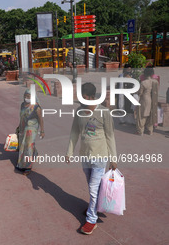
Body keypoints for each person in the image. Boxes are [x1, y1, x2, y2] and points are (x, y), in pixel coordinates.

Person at [65, 83, 117, 235]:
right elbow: (74, 132)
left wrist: (113, 158)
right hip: (85, 155)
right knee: (92, 186)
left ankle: (91, 220)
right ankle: (98, 206)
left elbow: (110, 136)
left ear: (89, 97)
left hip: (100, 156)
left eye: (82, 97)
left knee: (94, 189)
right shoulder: (79, 111)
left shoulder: (104, 112)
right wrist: (69, 152)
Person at [16, 89, 45, 175]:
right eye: (25, 96)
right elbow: (21, 116)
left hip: (32, 128)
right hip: (23, 127)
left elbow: (40, 119)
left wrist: (42, 131)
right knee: (23, 145)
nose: (26, 98)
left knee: (28, 146)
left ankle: (28, 166)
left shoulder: (36, 107)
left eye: (28, 96)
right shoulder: (22, 105)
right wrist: (19, 126)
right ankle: (34, 153)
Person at [135, 67, 159, 135]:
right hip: (153, 100)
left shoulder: (143, 83)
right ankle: (150, 130)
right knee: (151, 115)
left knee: (142, 116)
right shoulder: (155, 82)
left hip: (145, 99)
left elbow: (140, 93)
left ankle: (140, 131)